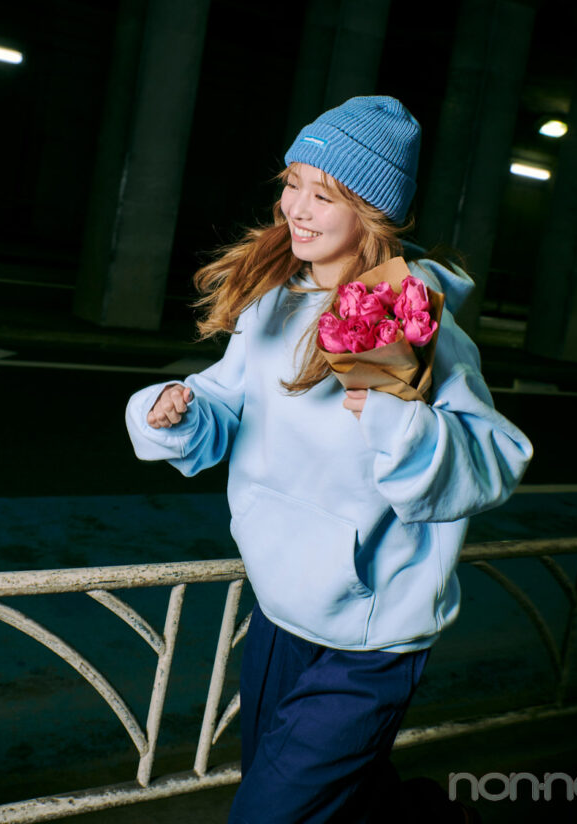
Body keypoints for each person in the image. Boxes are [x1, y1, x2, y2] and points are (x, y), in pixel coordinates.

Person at [125, 95, 533, 823]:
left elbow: (496, 459)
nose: (297, 209)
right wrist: (176, 411)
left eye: (326, 194)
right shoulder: (273, 304)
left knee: (270, 813)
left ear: (371, 213)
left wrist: (400, 426)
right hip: (281, 613)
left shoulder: (406, 314)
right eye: (291, 183)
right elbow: (226, 407)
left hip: (372, 639)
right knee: (335, 800)